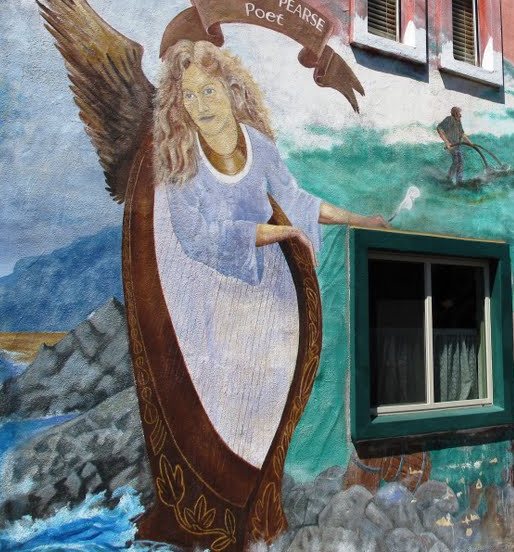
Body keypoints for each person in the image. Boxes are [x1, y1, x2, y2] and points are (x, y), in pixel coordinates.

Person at [152, 39, 386, 468]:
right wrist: (275, 232)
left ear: (230, 90)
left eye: (209, 90)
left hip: (265, 301)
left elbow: (296, 201)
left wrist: (361, 220)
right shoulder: (180, 157)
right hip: (211, 308)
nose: (200, 104)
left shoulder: (257, 145)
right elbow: (196, 238)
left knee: (270, 409)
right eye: (188, 94)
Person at [436, 106, 472, 184]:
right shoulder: (449, 119)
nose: (461, 115)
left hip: (457, 145)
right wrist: (447, 142)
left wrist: (470, 142)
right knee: (456, 161)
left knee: (461, 162)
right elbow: (439, 129)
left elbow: (462, 133)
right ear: (455, 113)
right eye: (459, 113)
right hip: (452, 145)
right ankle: (449, 178)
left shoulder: (458, 121)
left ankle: (459, 180)